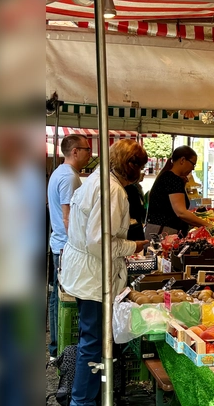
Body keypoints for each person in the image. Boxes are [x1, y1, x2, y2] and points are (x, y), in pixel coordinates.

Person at [60, 140, 150, 406]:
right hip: (93, 274)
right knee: (93, 340)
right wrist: (133, 245)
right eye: (139, 166)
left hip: (86, 270)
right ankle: (82, 400)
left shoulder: (98, 181)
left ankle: (87, 397)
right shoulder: (111, 190)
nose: (141, 173)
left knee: (93, 338)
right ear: (129, 166)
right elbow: (99, 242)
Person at [46, 134, 91, 360]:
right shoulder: (69, 177)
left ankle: (56, 349)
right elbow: (68, 217)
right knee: (62, 297)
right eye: (87, 149)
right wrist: (82, 244)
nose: (90, 154)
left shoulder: (59, 173)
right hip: (65, 245)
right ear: (75, 151)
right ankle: (59, 349)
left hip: (59, 243)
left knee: (57, 297)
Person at [144, 146, 210, 236]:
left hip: (160, 230)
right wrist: (207, 225)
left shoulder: (169, 177)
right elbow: (181, 212)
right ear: (182, 160)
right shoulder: (172, 179)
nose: (193, 168)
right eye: (193, 164)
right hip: (163, 232)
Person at [125, 171, 146, 241]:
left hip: (135, 225)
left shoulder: (137, 187)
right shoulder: (130, 188)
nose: (143, 174)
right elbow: (136, 209)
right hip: (131, 228)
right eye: (140, 170)